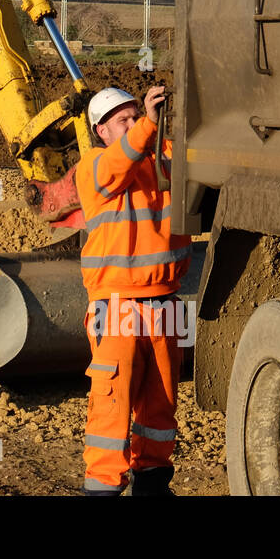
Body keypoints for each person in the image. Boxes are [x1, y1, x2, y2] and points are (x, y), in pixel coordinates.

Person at [74, 85, 191, 497]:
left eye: (133, 116)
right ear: (101, 131)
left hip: (165, 305)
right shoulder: (94, 166)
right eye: (122, 119)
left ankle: (153, 487)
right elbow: (119, 163)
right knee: (111, 408)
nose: (132, 124)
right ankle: (103, 490)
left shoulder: (168, 157)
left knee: (160, 410)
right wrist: (146, 123)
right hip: (117, 305)